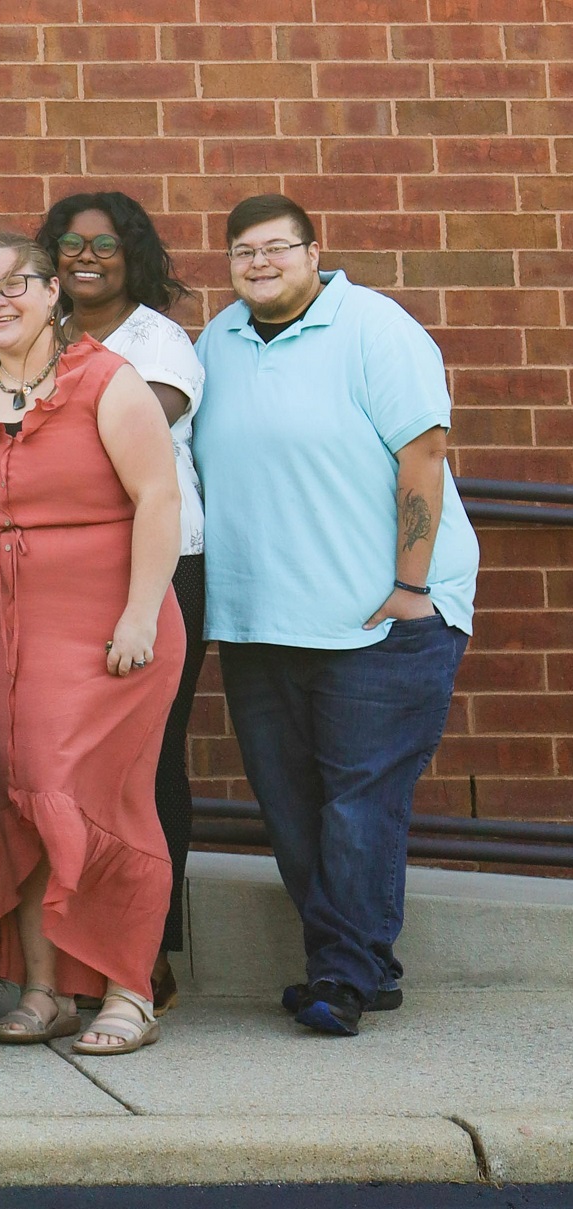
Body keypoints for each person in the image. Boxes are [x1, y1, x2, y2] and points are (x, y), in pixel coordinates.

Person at [192, 194, 477, 1038]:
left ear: (315, 250)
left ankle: (340, 977)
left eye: (275, 246)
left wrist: (411, 585)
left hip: (376, 619)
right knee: (289, 805)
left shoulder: (374, 327)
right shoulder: (219, 340)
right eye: (242, 250)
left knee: (357, 803)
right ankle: (360, 964)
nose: (258, 262)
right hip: (259, 623)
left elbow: (422, 456)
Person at [0, 232, 181, 1056]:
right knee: (19, 795)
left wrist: (140, 613)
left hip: (107, 632)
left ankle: (128, 989)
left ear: (52, 290)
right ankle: (44, 987)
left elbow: (157, 495)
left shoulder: (105, 378)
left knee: (84, 794)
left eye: (13, 284)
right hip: (0, 637)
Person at [37, 192, 204, 1016]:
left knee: (147, 761)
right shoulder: (42, 334)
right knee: (71, 765)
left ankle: (152, 950)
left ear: (130, 252)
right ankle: (73, 950)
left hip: (157, 572)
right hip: (65, 577)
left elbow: (107, 437)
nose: (84, 255)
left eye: (103, 243)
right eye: (68, 243)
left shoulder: (155, 340)